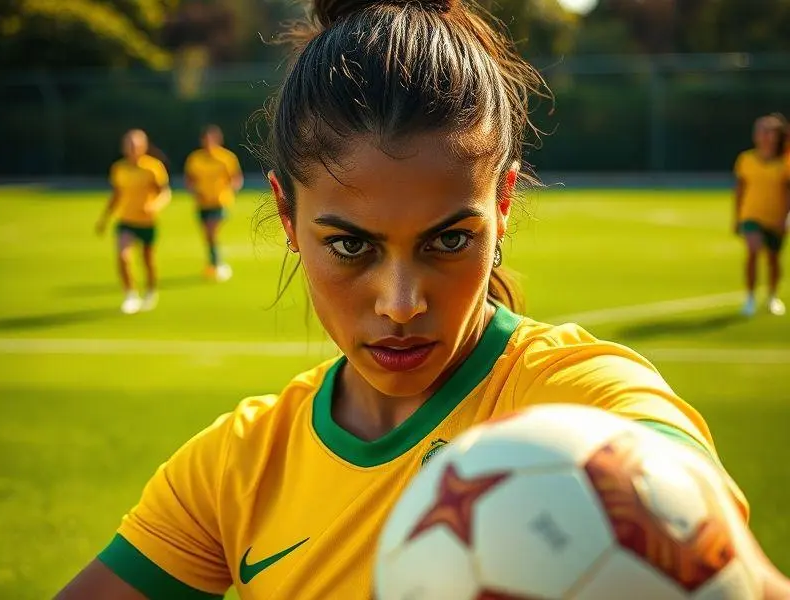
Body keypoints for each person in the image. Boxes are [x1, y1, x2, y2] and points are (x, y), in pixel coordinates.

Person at [60, 1, 790, 598]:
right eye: (351, 246)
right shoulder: (236, 469)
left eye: (448, 241)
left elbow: (704, 526)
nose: (402, 303)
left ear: (502, 206)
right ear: (287, 217)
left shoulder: (585, 399)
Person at [96, 129, 171, 314]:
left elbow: (165, 192)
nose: (132, 148)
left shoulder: (153, 167)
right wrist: (104, 218)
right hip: (126, 220)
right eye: (129, 144)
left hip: (147, 222)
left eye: (135, 144)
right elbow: (116, 195)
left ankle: (151, 291)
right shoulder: (119, 169)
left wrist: (155, 206)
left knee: (147, 261)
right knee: (123, 257)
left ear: (144, 146)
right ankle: (130, 295)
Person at [733, 114, 790, 317]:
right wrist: (737, 217)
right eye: (760, 130)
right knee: (753, 251)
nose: (763, 135)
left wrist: (785, 217)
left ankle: (772, 296)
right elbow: (740, 190)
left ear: (777, 135)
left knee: (773, 259)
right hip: (751, 215)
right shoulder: (746, 159)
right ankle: (749, 297)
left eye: (768, 131)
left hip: (775, 217)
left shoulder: (785, 162)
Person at [184, 124, 243, 282]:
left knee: (211, 231)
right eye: (206, 139)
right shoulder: (195, 159)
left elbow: (236, 178)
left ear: (218, 140)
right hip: (202, 203)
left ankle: (217, 264)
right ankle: (213, 263)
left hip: (220, 201)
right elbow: (189, 180)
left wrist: (230, 190)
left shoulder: (227, 158)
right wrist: (195, 191)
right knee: (208, 236)